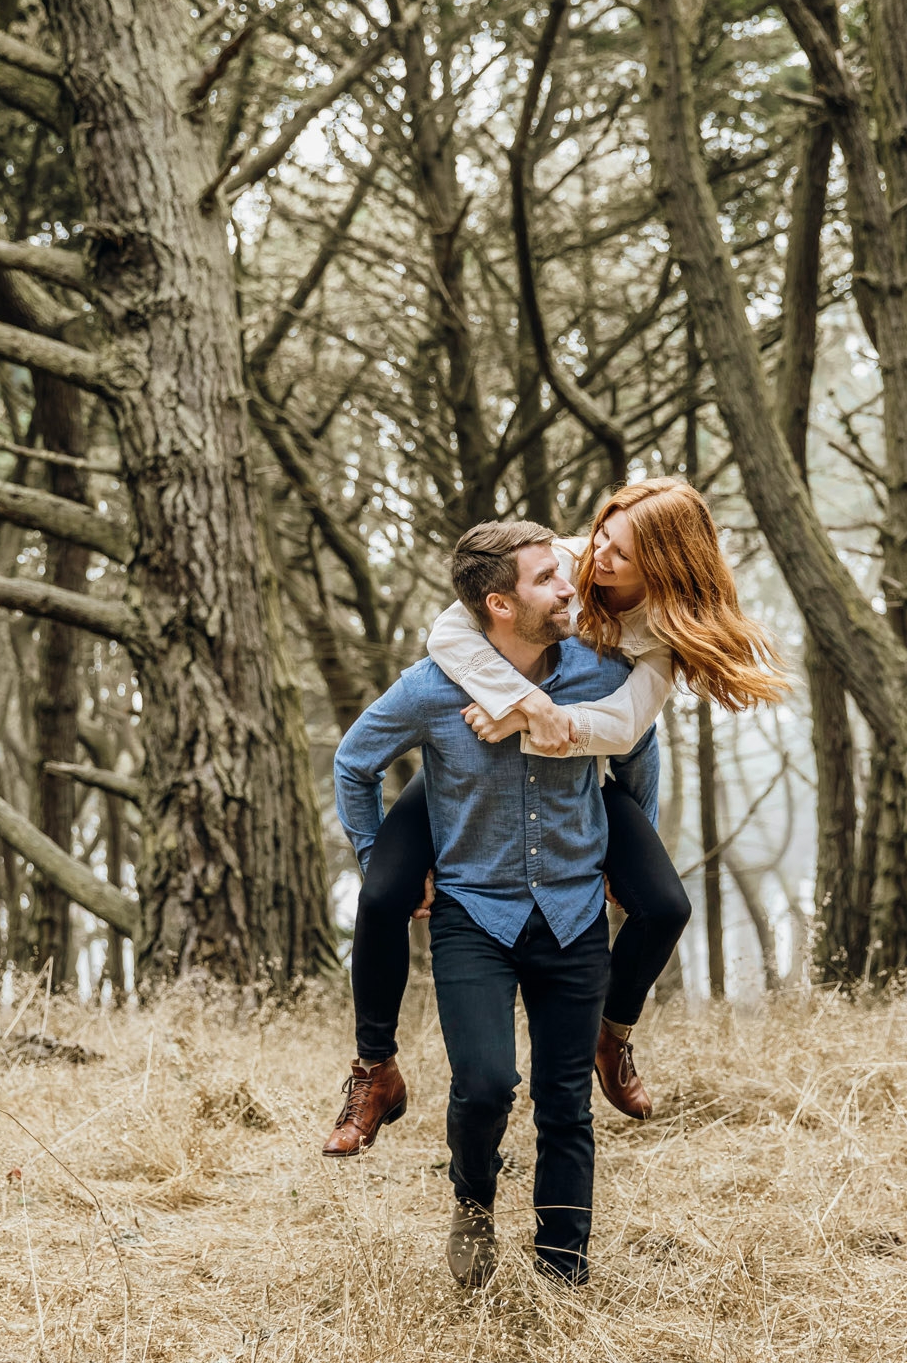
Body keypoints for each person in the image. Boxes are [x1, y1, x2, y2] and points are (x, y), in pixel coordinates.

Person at [322, 478, 786, 1159]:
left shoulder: (662, 629)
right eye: (603, 531)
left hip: (582, 767)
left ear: (660, 566)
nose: (596, 555)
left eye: (620, 552)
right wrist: (519, 699)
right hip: (470, 772)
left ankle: (612, 1033)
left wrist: (548, 733)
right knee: (385, 890)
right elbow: (453, 627)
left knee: (662, 904)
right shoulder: (564, 561)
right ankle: (374, 1069)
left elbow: (631, 734)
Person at [332, 520, 659, 1285]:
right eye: (547, 578)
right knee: (483, 1087)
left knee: (564, 1106)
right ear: (500, 605)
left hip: (575, 913)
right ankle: (472, 1202)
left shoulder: (601, 669)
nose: (570, 585)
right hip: (474, 914)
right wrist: (382, 858)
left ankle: (562, 1272)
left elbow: (638, 747)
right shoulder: (432, 688)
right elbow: (353, 762)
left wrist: (623, 853)